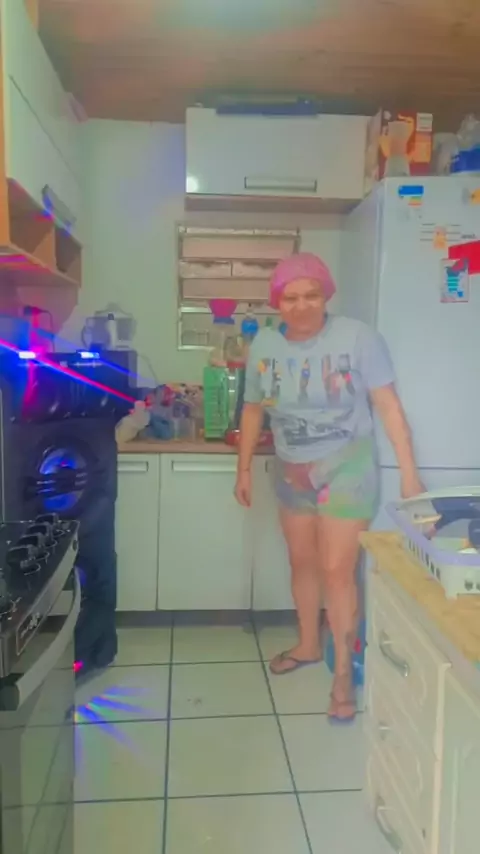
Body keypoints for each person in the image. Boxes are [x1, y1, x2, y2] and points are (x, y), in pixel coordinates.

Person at [234, 252, 423, 722]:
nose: (301, 306)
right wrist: (243, 469)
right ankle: (307, 644)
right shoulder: (264, 346)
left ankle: (341, 677)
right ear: (277, 303)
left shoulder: (358, 338)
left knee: (337, 570)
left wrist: (409, 471)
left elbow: (388, 406)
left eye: (311, 295)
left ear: (326, 295)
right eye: (290, 298)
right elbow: (253, 410)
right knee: (302, 561)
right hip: (291, 469)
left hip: (347, 468)